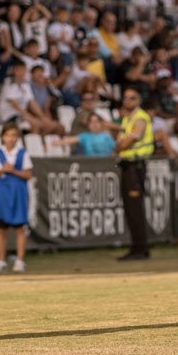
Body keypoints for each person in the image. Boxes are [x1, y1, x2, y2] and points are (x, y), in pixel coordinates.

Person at [115, 86, 154, 261]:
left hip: (135, 167)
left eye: (132, 98)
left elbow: (126, 143)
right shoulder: (127, 119)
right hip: (128, 166)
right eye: (125, 97)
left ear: (138, 101)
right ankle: (137, 247)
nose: (127, 100)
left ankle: (141, 248)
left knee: (135, 208)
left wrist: (120, 145)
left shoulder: (140, 118)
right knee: (130, 209)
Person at [0, 122, 32, 274]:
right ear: (3, 137)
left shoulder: (23, 153)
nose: (10, 138)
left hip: (17, 193)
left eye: (13, 135)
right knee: (1, 229)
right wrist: (2, 169)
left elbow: (28, 174)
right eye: (8, 135)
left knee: (20, 228)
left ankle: (20, 260)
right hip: (2, 194)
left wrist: (14, 171)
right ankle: (1, 260)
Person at [52, 112, 118, 156]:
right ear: (88, 125)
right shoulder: (85, 136)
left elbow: (114, 151)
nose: (94, 124)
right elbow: (70, 140)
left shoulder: (107, 136)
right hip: (89, 165)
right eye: (92, 122)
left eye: (96, 122)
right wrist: (58, 142)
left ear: (100, 123)